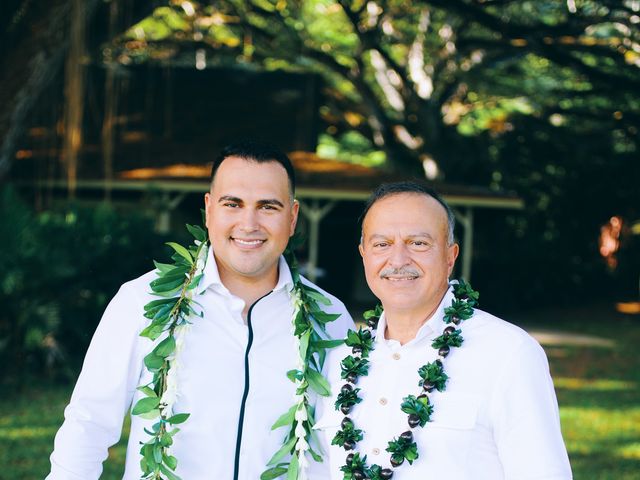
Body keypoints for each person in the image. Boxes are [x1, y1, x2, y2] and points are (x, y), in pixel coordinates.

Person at [47, 140, 354, 479]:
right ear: (209, 210)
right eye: (232, 204)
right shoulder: (141, 302)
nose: (249, 223)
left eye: (268, 206)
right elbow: (88, 424)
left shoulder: (331, 319)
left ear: (292, 217)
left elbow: (347, 440)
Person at [309, 181, 572, 480]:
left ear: (450, 256)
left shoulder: (509, 353)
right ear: (363, 254)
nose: (397, 260)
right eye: (382, 244)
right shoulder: (337, 361)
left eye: (418, 243)